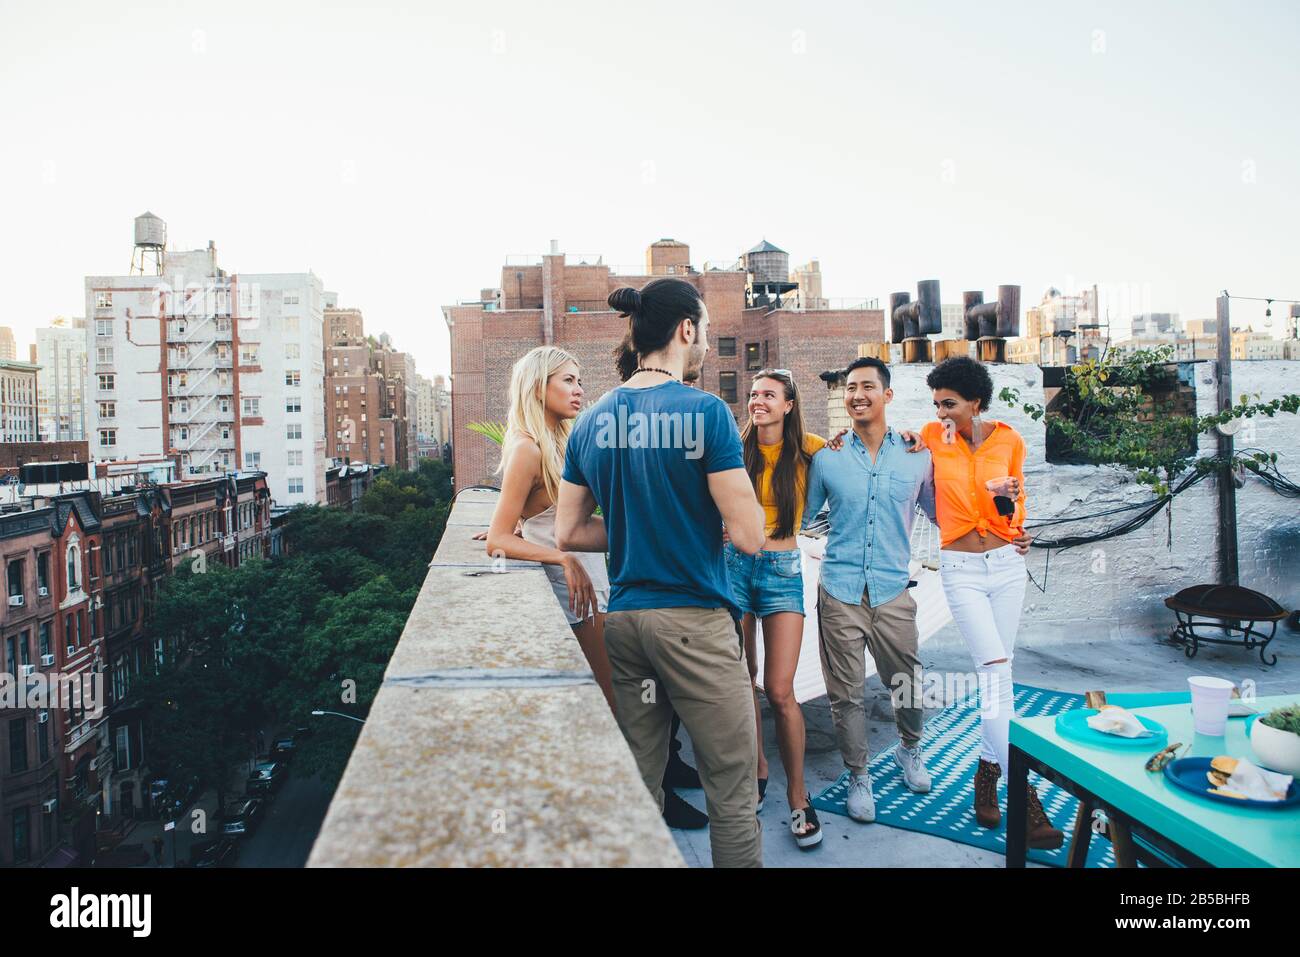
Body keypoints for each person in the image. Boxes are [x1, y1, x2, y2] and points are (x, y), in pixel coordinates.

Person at [557, 277, 766, 868]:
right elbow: (749, 537)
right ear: (686, 329)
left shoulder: (592, 419)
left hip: (624, 625)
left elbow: (570, 531)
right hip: (693, 624)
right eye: (702, 331)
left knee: (639, 784)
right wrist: (698, 523)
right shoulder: (707, 412)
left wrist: (637, 529)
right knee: (732, 787)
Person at [911, 356, 1063, 849]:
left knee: (1003, 671)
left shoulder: (1009, 439)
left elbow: (1017, 499)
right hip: (961, 569)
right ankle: (1026, 793)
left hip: (1005, 566)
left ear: (975, 402)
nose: (942, 413)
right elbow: (894, 455)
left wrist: (1021, 529)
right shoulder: (931, 439)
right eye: (936, 405)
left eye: (950, 404)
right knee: (995, 669)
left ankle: (987, 772)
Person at [802, 356, 935, 825]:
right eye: (850, 388)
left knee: (907, 681)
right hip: (839, 591)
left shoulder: (918, 454)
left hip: (893, 590)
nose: (857, 394)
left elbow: (943, 513)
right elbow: (804, 519)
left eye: (867, 387)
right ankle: (859, 775)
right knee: (846, 693)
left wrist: (1008, 528)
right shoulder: (828, 457)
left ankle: (910, 750)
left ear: (887, 395)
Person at [482, 347, 614, 707]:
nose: (579, 390)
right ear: (538, 387)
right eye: (568, 380)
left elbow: (536, 519)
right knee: (608, 699)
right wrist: (562, 559)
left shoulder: (561, 442)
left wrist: (526, 527)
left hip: (590, 579)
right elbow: (497, 539)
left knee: (609, 692)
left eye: (580, 381)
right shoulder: (528, 448)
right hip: (574, 589)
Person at [728, 369, 825, 849]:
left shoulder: (812, 449)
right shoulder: (733, 446)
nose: (757, 401)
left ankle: (798, 794)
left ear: (789, 403)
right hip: (734, 566)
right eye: (752, 394)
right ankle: (758, 768)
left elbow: (862, 459)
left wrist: (909, 439)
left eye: (768, 395)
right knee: (742, 678)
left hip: (783, 570)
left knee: (781, 690)